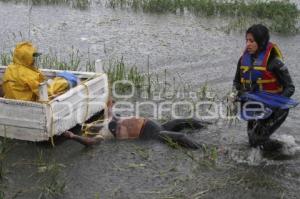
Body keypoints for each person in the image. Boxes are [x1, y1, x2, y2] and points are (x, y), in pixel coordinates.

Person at [233, 24, 295, 151]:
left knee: (257, 140)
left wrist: (274, 106)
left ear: (261, 42)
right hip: (255, 105)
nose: (248, 44)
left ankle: (290, 149)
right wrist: (236, 95)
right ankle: (283, 150)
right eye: (247, 40)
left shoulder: (275, 62)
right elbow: (236, 83)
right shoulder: (242, 60)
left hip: (276, 109)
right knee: (252, 140)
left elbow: (290, 87)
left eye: (252, 41)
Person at [62, 98, 208, 149]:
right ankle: (205, 149)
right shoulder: (103, 135)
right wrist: (73, 136)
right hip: (154, 134)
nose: (92, 125)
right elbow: (90, 143)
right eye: (91, 127)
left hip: (158, 125)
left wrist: (110, 103)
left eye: (92, 124)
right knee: (180, 136)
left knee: (185, 121)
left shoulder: (108, 119)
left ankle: (208, 125)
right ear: (92, 131)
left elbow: (109, 108)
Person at [3, 41, 77, 101]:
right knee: (62, 85)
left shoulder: (10, 69)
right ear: (26, 58)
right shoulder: (28, 75)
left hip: (12, 100)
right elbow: (45, 92)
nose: (34, 59)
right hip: (29, 104)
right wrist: (64, 83)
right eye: (33, 57)